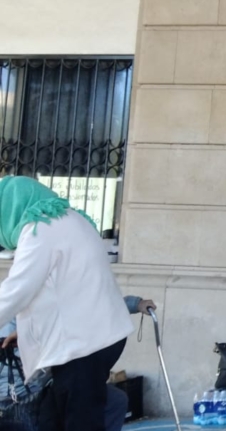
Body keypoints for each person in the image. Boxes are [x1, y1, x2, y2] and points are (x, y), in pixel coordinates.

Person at [0, 176, 134, 431]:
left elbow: (17, 290)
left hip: (84, 344)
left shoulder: (41, 230)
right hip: (95, 337)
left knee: (79, 421)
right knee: (55, 417)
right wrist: (28, 332)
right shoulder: (68, 220)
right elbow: (63, 289)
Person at [2, 295, 157, 431]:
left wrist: (134, 303)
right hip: (19, 396)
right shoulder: (11, 314)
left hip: (48, 385)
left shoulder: (46, 306)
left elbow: (92, 310)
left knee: (115, 400)